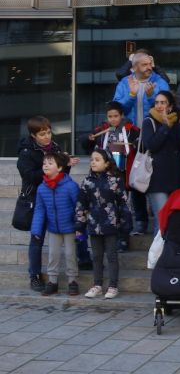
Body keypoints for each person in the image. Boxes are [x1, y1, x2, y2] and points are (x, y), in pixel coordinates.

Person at [17, 116, 83, 292]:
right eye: (42, 134)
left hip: (59, 196)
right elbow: (29, 176)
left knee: (71, 238)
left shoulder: (55, 147)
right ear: (33, 135)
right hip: (37, 196)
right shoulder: (26, 152)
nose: (47, 136)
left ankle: (79, 266)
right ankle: (35, 275)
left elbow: (62, 172)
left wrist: (65, 164)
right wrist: (49, 169)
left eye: (48, 132)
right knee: (36, 237)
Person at [79, 101, 143, 248]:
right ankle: (112, 237)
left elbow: (141, 144)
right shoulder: (101, 129)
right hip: (105, 173)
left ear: (122, 115)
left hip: (125, 171)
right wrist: (88, 139)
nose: (113, 119)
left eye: (116, 116)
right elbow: (86, 144)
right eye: (110, 116)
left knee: (124, 206)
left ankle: (124, 237)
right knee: (108, 206)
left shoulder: (131, 130)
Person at [75, 149, 132, 299]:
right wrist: (80, 225)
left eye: (97, 159)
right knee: (97, 256)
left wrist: (125, 223)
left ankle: (113, 286)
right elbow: (81, 205)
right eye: (92, 159)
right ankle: (97, 285)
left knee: (112, 256)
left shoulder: (115, 180)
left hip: (111, 224)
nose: (93, 162)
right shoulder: (87, 181)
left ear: (107, 163)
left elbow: (124, 203)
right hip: (93, 225)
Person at [140, 91, 180, 239]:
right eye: (157, 102)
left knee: (176, 219)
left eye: (163, 103)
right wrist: (165, 126)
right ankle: (157, 258)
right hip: (157, 178)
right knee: (162, 219)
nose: (159, 106)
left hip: (176, 178)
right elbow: (152, 145)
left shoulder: (176, 121)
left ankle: (172, 255)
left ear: (170, 106)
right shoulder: (148, 121)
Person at [31, 152, 80, 296]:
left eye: (50, 163)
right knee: (53, 255)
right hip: (53, 228)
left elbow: (79, 208)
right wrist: (36, 231)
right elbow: (39, 211)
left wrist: (79, 227)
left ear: (60, 168)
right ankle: (53, 282)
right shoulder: (42, 188)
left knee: (70, 254)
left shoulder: (71, 186)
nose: (46, 165)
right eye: (44, 163)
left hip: (70, 228)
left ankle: (72, 281)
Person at [113, 52, 170, 128]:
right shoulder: (124, 83)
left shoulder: (160, 82)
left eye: (150, 64)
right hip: (130, 132)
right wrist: (132, 95)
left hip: (154, 131)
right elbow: (116, 110)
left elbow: (167, 110)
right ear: (135, 67)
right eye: (145, 65)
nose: (149, 67)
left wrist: (151, 96)